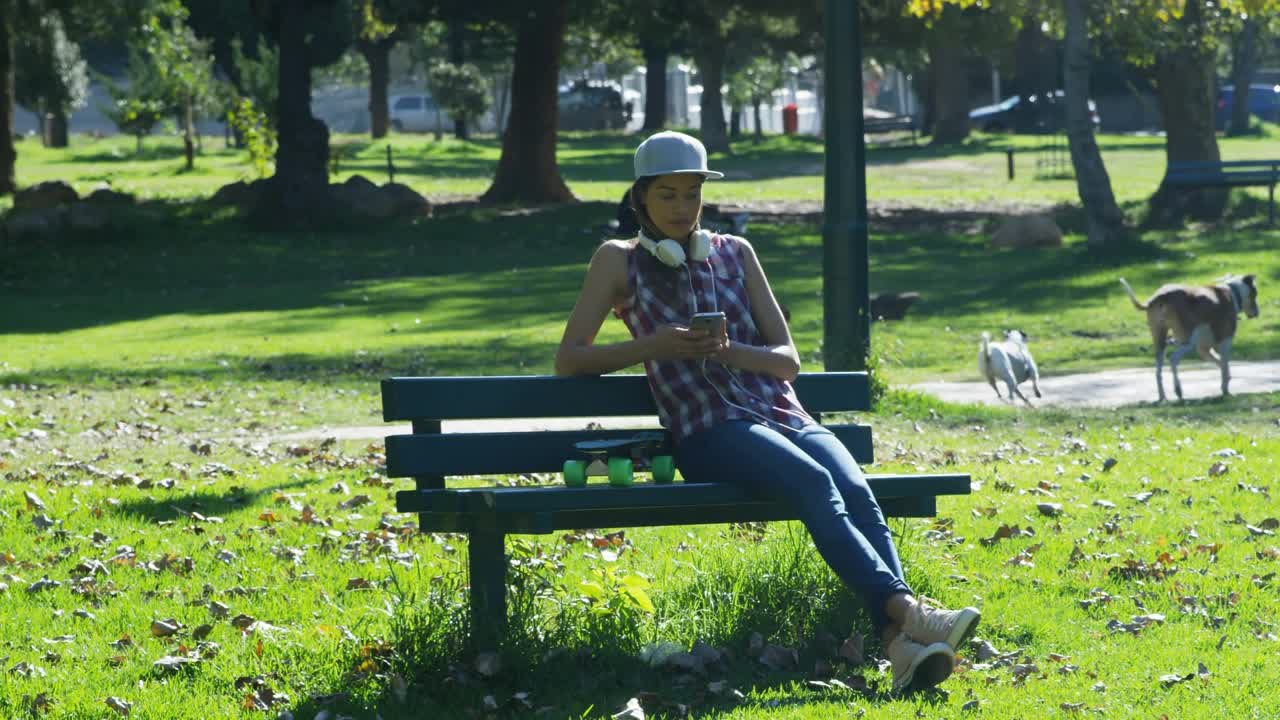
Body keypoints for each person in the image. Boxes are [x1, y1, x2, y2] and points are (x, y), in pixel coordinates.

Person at [554, 131, 980, 693]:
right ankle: (910, 612)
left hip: (783, 412)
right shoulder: (619, 261)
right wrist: (651, 346)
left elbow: (788, 362)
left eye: (692, 195)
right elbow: (570, 359)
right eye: (667, 195)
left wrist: (727, 351)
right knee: (812, 481)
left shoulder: (735, 253)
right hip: (708, 430)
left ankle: (897, 643)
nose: (682, 208)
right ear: (640, 200)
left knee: (851, 485)